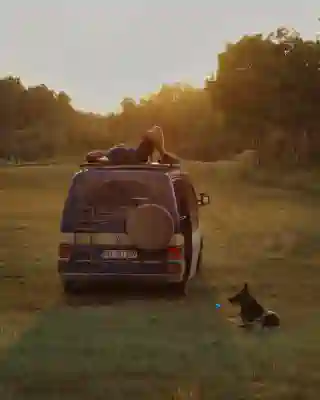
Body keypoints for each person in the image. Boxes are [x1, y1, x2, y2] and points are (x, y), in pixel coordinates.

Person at [86, 125, 180, 165]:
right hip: (137, 156)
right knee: (155, 131)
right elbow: (90, 156)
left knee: (155, 131)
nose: (96, 152)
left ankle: (164, 154)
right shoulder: (108, 158)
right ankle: (163, 154)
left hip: (136, 154)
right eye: (96, 153)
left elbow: (91, 155)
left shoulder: (110, 153)